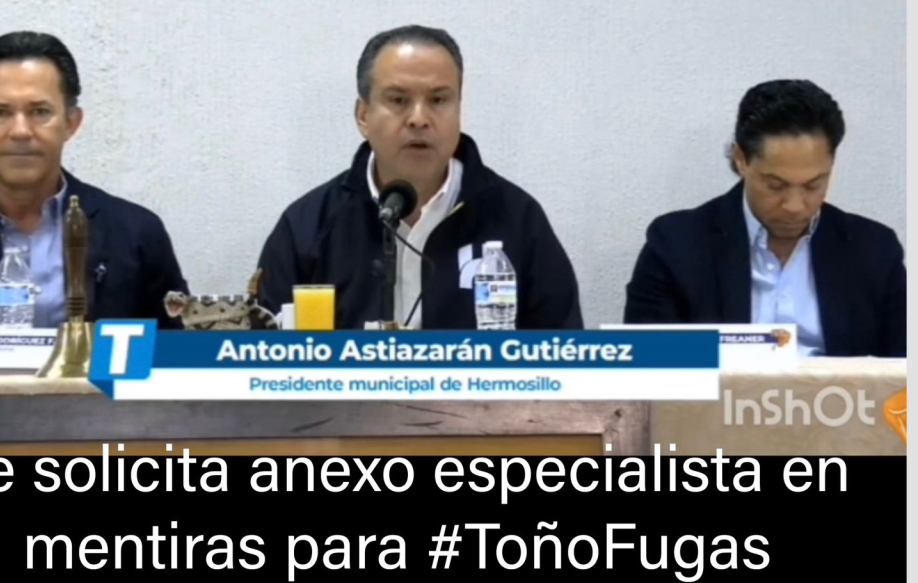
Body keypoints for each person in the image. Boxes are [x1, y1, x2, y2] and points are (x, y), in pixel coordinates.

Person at [256, 24, 582, 329]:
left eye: (438, 100)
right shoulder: (308, 226)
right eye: (398, 100)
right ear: (363, 115)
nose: (419, 119)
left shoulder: (516, 218)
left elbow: (565, 352)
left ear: (459, 110)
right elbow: (260, 354)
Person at [0, 31, 188, 329]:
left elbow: (178, 349)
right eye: (0, 112)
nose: (20, 131)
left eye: (39, 112)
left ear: (71, 123)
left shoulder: (136, 233)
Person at [624, 79, 905, 357]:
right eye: (775, 185)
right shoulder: (676, 244)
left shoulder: (873, 249)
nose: (795, 206)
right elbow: (647, 359)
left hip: (842, 390)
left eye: (813, 185)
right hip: (720, 389)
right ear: (741, 159)